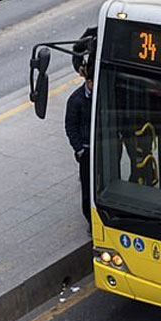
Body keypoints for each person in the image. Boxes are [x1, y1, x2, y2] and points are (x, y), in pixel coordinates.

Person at [65, 62, 93, 224]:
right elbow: (70, 126)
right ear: (88, 82)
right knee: (87, 187)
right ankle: (90, 220)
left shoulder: (104, 93)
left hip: (104, 148)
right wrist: (80, 149)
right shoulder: (76, 100)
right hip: (87, 150)